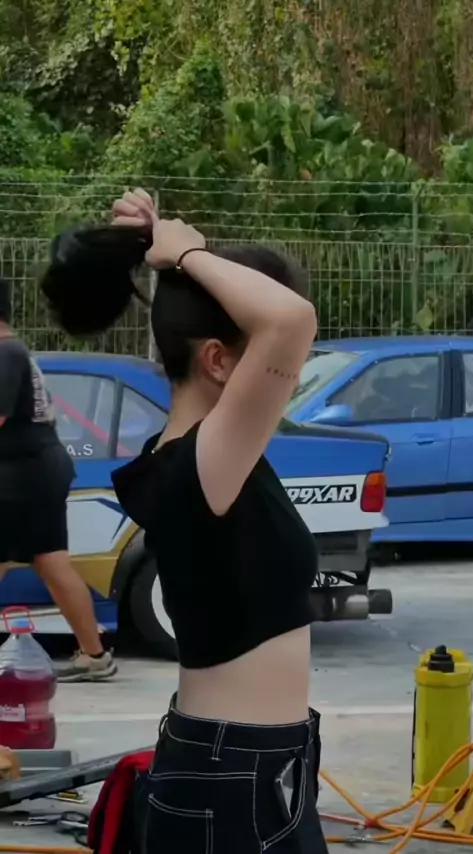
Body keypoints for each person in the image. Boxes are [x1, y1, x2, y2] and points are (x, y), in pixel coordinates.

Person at [41, 190, 329, 853]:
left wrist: (163, 251)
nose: (292, 372)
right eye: (269, 357)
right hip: (233, 780)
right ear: (218, 361)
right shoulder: (200, 468)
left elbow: (270, 323)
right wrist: (189, 255)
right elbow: (291, 320)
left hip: (249, 769)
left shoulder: (202, 460)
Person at [0, 278, 116, 682]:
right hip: (35, 469)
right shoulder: (12, 351)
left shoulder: (4, 353)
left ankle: (94, 655)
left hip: (25, 472)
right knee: (51, 561)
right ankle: (94, 655)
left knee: (44, 560)